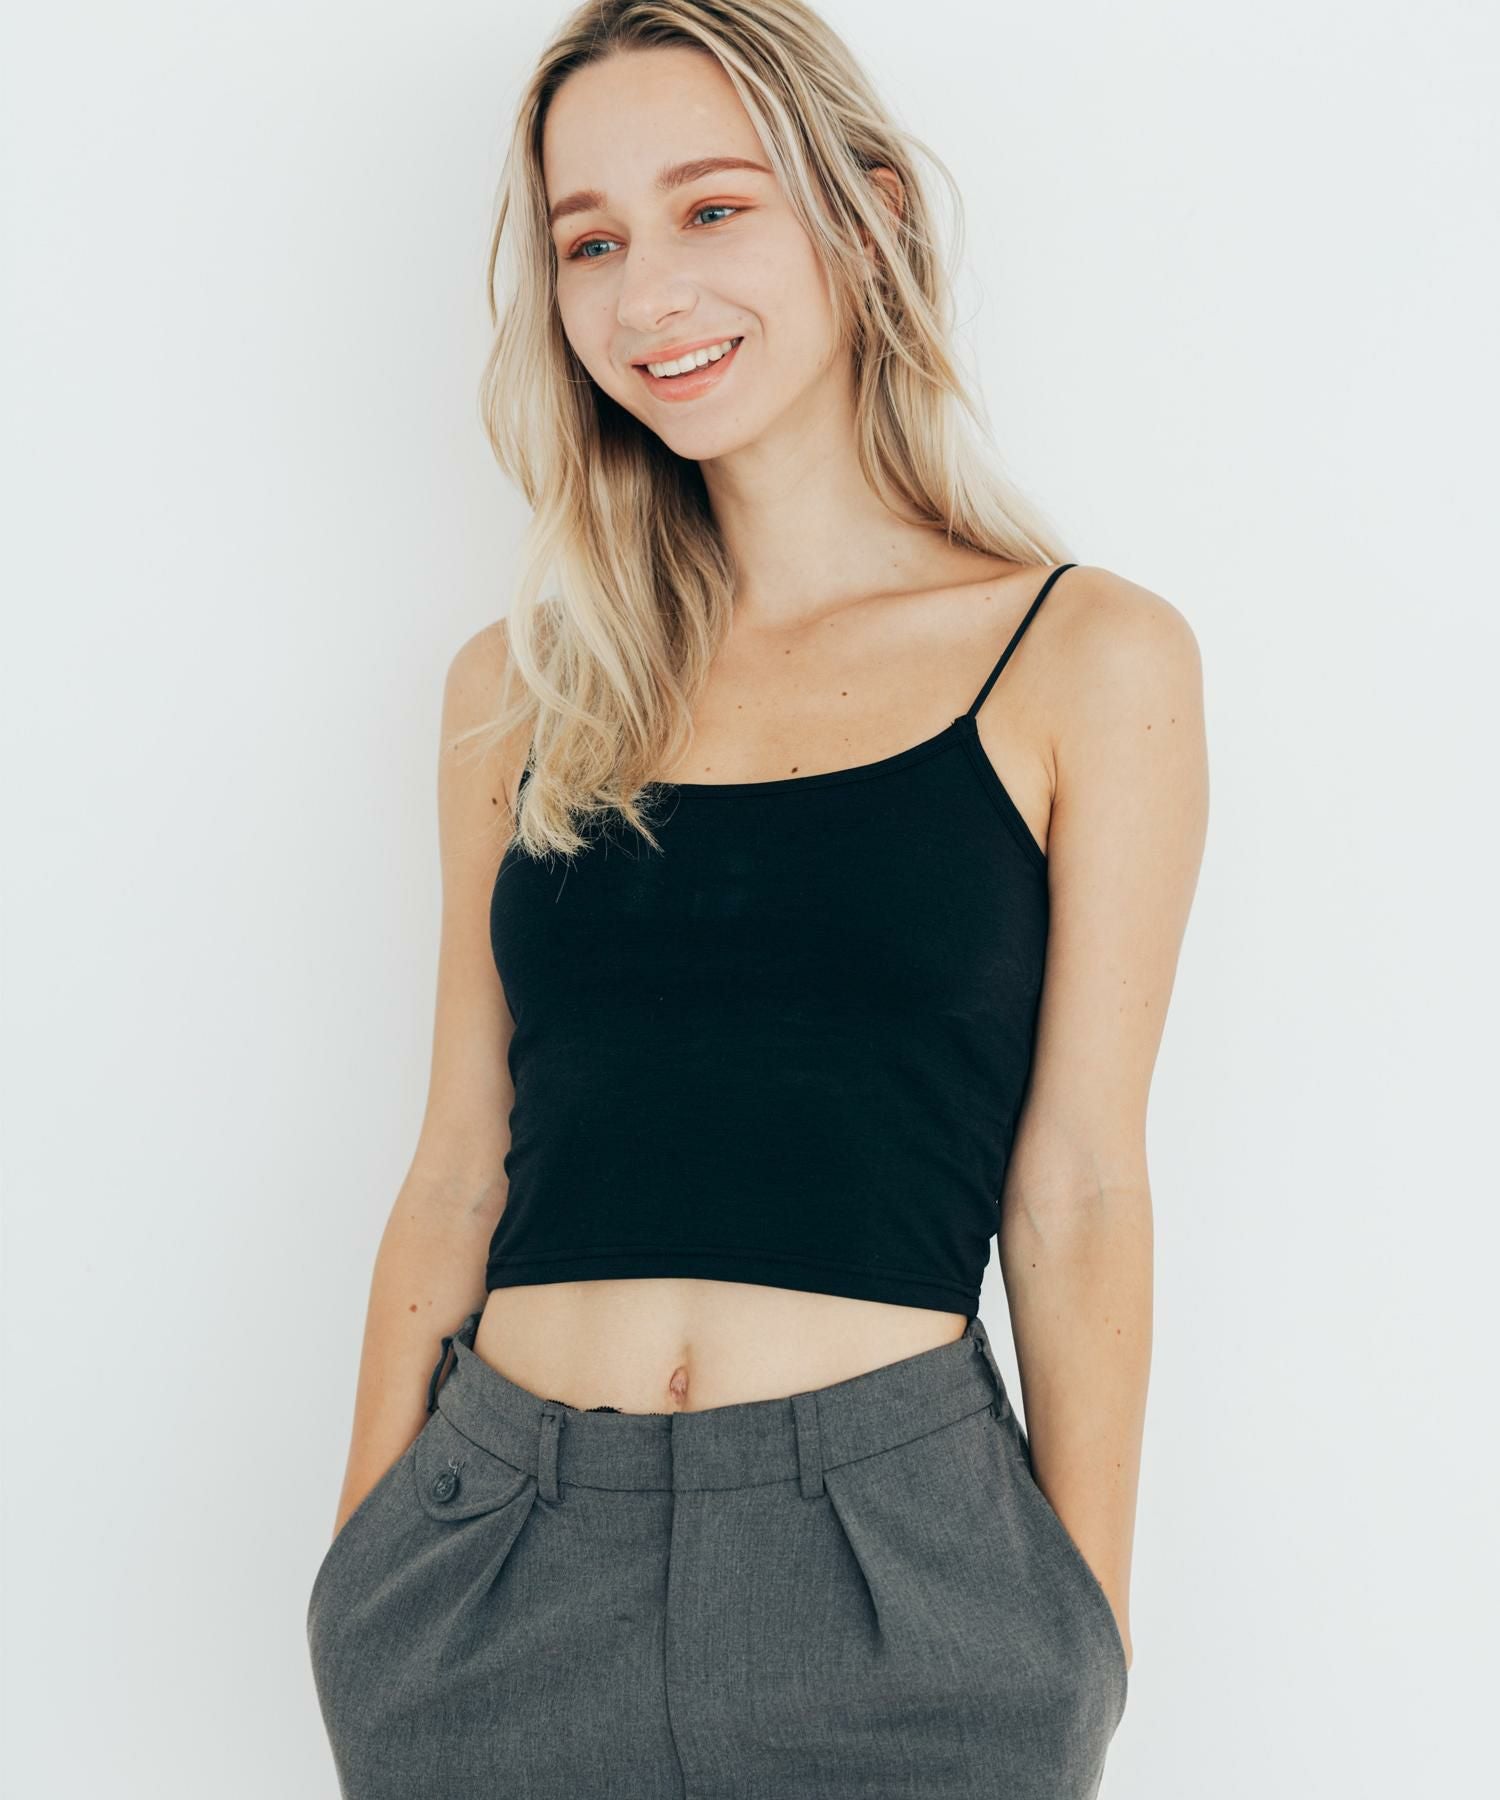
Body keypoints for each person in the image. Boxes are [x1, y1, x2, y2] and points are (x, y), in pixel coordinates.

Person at [306, 2, 1208, 1795]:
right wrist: (359, 1576)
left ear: (868, 215)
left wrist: (1080, 1632)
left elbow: (1083, 1184)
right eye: (590, 242)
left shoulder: (1085, 657)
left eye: (713, 208)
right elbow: (459, 1162)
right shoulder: (519, 689)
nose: (650, 294)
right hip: (490, 1565)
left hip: (906, 1573)